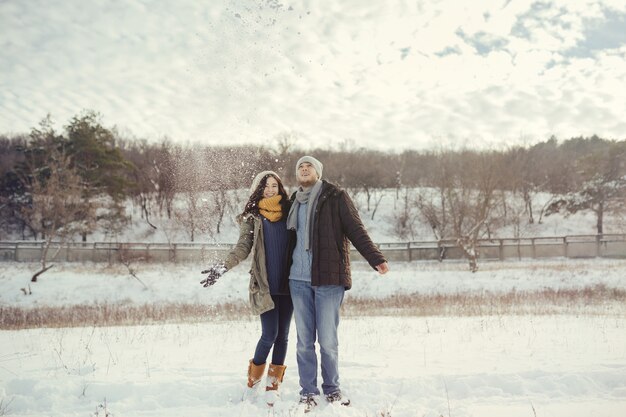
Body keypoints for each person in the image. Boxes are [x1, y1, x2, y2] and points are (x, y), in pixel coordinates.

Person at [287, 156, 389, 412]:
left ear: (318, 172)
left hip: (328, 279)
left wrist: (375, 258)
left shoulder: (335, 196)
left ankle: (332, 390)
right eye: (300, 166)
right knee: (303, 342)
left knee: (328, 341)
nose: (304, 168)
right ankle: (308, 392)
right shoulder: (292, 202)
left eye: (309, 165)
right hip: (297, 281)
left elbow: (355, 229)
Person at [200, 171, 293, 405]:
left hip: (290, 285)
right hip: (265, 285)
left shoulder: (291, 214)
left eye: (275, 185)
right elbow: (242, 247)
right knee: (269, 334)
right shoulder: (252, 218)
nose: (271, 190)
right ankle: (253, 384)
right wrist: (223, 267)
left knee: (282, 336)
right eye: (266, 186)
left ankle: (274, 386)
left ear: (280, 188)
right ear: (258, 190)